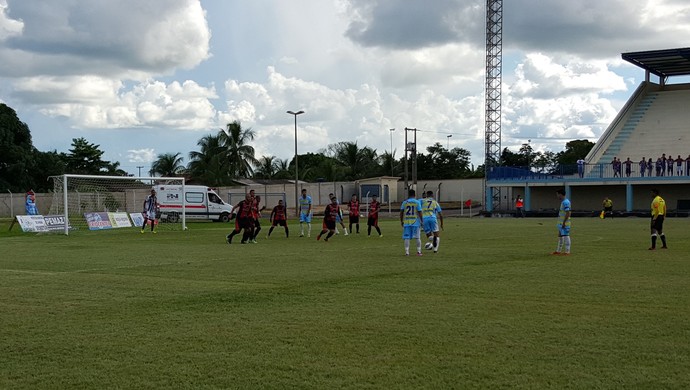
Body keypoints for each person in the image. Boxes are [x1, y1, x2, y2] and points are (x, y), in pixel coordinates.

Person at [400, 189, 424, 256]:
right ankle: (419, 252)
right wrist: (422, 221)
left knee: (406, 237)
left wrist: (401, 221)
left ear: (408, 195)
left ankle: (407, 252)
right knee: (417, 237)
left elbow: (401, 212)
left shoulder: (405, 202)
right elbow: (420, 212)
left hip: (407, 222)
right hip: (415, 222)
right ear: (415, 194)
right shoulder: (417, 202)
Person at [553, 188, 571, 255]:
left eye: (557, 194)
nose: (557, 196)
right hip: (561, 223)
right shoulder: (563, 202)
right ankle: (558, 251)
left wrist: (564, 222)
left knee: (566, 235)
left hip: (565, 223)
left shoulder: (566, 202)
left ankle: (567, 251)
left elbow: (568, 213)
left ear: (560, 194)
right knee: (560, 235)